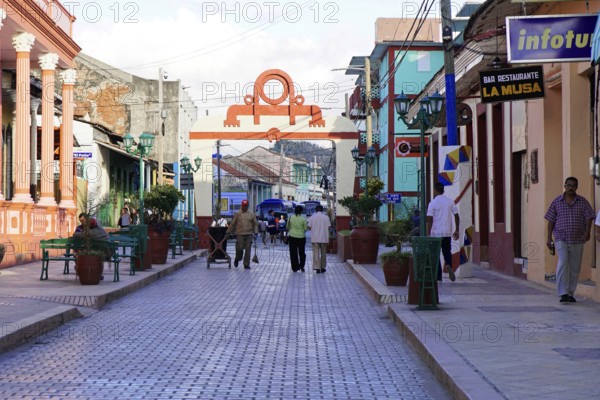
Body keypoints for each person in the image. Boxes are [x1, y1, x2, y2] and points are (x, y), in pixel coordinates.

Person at [546, 177, 595, 303]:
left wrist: (587, 232)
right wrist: (548, 238)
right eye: (569, 185)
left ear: (577, 187)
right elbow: (551, 220)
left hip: (577, 238)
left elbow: (590, 216)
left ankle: (570, 293)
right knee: (563, 262)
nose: (571, 188)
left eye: (574, 185)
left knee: (574, 266)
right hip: (561, 237)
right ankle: (562, 293)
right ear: (565, 186)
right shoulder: (557, 201)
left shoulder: (582, 201)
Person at [426, 183, 459, 282]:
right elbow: (457, 216)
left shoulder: (432, 203)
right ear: (443, 190)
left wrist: (428, 233)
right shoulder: (450, 202)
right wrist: (457, 230)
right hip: (447, 232)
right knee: (446, 252)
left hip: (436, 233)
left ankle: (438, 276)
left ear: (435, 191)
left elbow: (430, 219)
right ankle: (448, 264)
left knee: (435, 255)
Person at [226, 199, 258, 269]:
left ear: (248, 206)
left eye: (246, 206)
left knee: (248, 250)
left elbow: (255, 223)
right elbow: (233, 224)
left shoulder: (251, 213)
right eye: (243, 206)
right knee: (239, 249)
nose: (245, 207)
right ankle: (237, 258)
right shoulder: (238, 214)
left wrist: (255, 232)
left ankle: (246, 264)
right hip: (240, 234)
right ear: (241, 206)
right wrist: (228, 232)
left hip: (249, 233)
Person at [308, 204, 331, 274]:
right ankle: (323, 267)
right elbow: (329, 227)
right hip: (324, 238)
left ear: (316, 210)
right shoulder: (326, 217)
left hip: (315, 238)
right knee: (323, 253)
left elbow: (309, 227)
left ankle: (317, 267)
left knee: (316, 253)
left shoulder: (312, 217)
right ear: (322, 210)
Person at [287, 205, 308, 272]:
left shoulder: (290, 217)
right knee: (302, 252)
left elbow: (287, 227)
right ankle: (301, 266)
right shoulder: (303, 219)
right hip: (301, 237)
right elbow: (305, 228)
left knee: (293, 252)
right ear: (301, 211)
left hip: (292, 236)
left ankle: (295, 268)